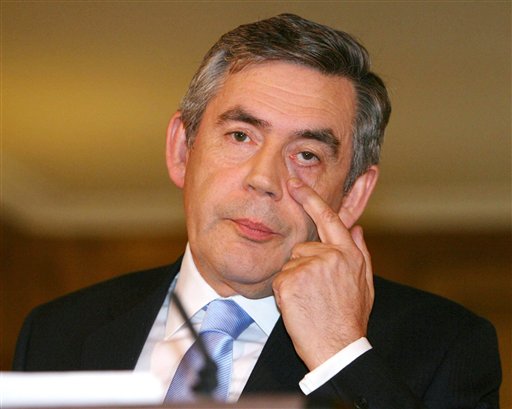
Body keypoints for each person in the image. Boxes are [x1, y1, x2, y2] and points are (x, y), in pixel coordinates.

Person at [13, 13, 501, 408]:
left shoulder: (445, 347)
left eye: (306, 154)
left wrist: (339, 354)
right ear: (182, 150)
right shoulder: (58, 332)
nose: (264, 179)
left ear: (352, 195)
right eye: (241, 136)